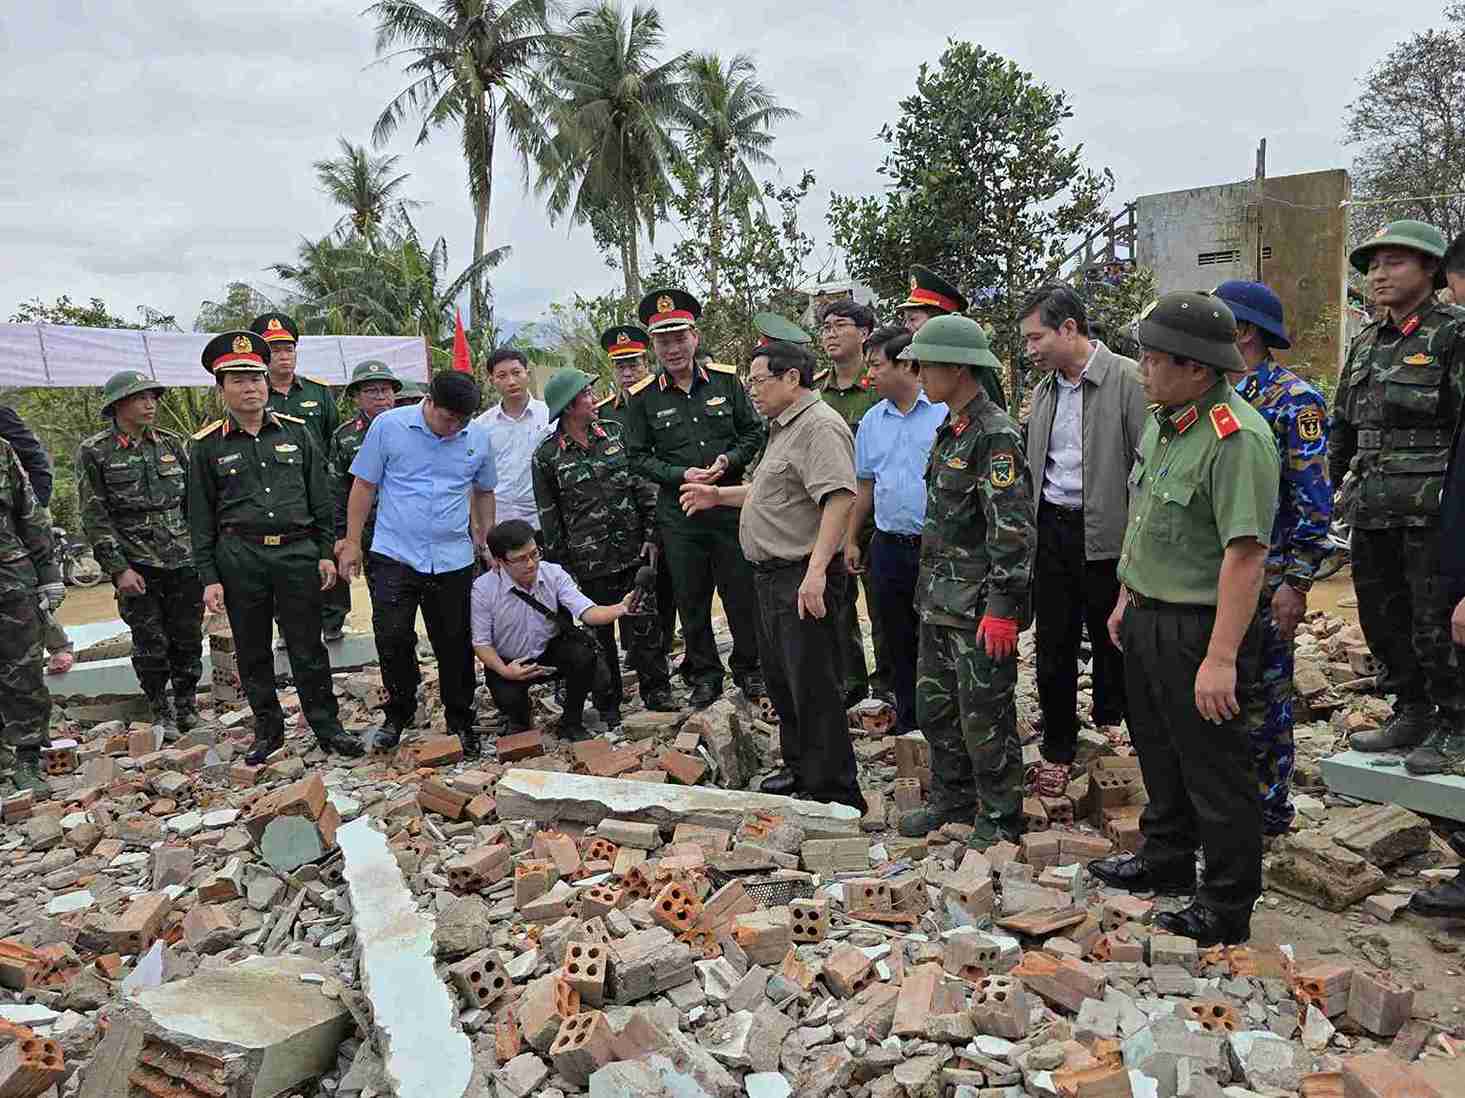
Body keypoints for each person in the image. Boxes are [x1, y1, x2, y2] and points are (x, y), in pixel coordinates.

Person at [1088, 292, 1279, 947]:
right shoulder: (1166, 420)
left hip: (1200, 628)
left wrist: (1221, 657)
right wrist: (1125, 597)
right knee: (1159, 752)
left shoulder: (1237, 438)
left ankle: (1225, 905)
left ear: (1197, 369)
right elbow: (1149, 521)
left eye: (1153, 358)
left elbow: (1245, 556)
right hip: (1147, 615)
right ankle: (1164, 858)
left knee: (1214, 769)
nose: (1140, 366)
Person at [680, 340, 865, 810]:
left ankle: (835, 792)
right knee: (784, 680)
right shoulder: (783, 428)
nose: (752, 391)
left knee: (814, 685)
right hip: (770, 577)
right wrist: (717, 497)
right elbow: (771, 492)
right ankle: (802, 769)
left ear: (791, 379)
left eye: (760, 381)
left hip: (801, 574)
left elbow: (838, 499)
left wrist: (818, 570)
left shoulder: (820, 427)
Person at [188, 332, 363, 764]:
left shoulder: (299, 434)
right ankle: (267, 732)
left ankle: (328, 727)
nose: (251, 388)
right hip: (240, 559)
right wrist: (209, 577)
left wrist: (325, 551)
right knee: (253, 651)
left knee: (308, 647)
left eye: (256, 378)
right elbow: (200, 517)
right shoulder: (206, 445)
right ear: (221, 388)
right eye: (238, 380)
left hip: (296, 555)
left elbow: (320, 499)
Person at [1328, 220, 1465, 769]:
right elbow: (1343, 425)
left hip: (1431, 513)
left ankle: (1456, 723)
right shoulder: (1366, 340)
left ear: (1431, 269)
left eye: (1395, 263)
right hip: (1371, 508)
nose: (1380, 275)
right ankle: (1411, 711)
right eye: (1374, 265)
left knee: (1435, 621)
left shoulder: (1453, 334)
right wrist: (1327, 493)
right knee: (1382, 619)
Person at [896, 316, 1034, 846]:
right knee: (937, 711)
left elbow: (1013, 531)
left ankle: (1000, 816)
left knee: (986, 718)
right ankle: (952, 800)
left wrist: (1004, 606)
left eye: (926, 364)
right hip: (938, 600)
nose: (919, 373)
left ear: (958, 367)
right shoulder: (951, 427)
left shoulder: (994, 435)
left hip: (978, 608)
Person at [1019, 283, 1146, 796]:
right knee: (1054, 641)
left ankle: (1121, 727)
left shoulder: (1128, 381)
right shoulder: (1046, 389)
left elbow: (1146, 469)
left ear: (1069, 329)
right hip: (1053, 528)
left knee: (1116, 638)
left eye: (1035, 338)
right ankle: (1058, 744)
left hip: (1110, 536)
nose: (1030, 349)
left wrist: (1136, 548)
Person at [1214, 280, 1332, 836]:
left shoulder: (1294, 401)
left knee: (1265, 698)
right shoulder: (1213, 399)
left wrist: (1299, 582)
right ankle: (1227, 805)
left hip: (1272, 574)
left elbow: (1313, 501)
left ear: (1243, 332)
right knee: (1225, 691)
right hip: (1218, 574)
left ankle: (1268, 811)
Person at [339, 371, 497, 754]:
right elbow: (364, 485)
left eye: (461, 421)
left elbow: (484, 490)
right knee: (393, 638)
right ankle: (398, 713)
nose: (453, 428)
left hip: (453, 558)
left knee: (454, 643)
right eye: (447, 419)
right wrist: (352, 542)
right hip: (395, 554)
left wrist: (485, 538)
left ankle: (461, 719)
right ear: (428, 401)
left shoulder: (476, 437)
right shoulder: (389, 427)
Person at [624, 288, 768, 708]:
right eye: (662, 340)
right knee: (692, 599)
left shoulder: (725, 381)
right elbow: (637, 457)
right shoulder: (644, 397)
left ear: (695, 337)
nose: (672, 348)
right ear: (653, 345)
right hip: (680, 514)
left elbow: (753, 432)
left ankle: (750, 669)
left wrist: (728, 460)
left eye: (679, 337)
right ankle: (704, 674)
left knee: (741, 594)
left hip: (727, 506)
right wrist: (678, 474)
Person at [533, 368, 677, 725]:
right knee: (598, 638)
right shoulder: (547, 456)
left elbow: (642, 487)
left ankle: (657, 691)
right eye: (585, 394)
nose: (593, 399)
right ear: (568, 407)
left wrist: (651, 535)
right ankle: (608, 702)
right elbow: (549, 516)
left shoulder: (615, 434)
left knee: (646, 625)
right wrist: (562, 569)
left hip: (633, 553)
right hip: (587, 562)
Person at [78, 371, 204, 734]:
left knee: (187, 637)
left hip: (182, 558)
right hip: (137, 563)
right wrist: (118, 569)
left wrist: (203, 556)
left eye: (153, 397)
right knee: (150, 642)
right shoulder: (96, 451)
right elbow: (94, 514)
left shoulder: (172, 443)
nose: (150, 404)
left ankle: (187, 704)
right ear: (118, 404)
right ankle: (158, 706)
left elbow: (194, 505)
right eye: (140, 398)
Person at [844, 326, 945, 735]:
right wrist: (852, 538)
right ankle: (908, 721)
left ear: (906, 363)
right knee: (895, 637)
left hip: (935, 548)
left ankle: (943, 723)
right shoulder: (872, 420)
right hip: (888, 546)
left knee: (936, 639)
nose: (869, 375)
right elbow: (865, 484)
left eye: (876, 365)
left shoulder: (942, 413)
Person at [472, 520, 637, 740]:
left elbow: (588, 612)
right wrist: (505, 671)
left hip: (549, 650)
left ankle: (571, 721)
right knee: (510, 702)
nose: (531, 564)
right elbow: (481, 643)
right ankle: (520, 719)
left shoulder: (553, 574)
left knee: (583, 656)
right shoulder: (483, 589)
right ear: (500, 561)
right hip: (510, 660)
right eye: (520, 559)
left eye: (534, 554)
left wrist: (621, 608)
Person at [249, 312, 346, 641]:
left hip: (320, 487)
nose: (284, 356)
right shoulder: (254, 396)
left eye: (289, 349)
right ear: (262, 357)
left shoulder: (318, 393)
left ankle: (333, 619)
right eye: (275, 350)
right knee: (282, 557)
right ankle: (285, 626)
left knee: (327, 549)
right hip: (276, 493)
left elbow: (334, 440)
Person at [815, 300, 890, 710]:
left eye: (840, 325)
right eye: (825, 326)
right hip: (830, 516)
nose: (829, 333)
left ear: (864, 334)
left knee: (883, 604)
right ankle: (850, 681)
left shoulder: (881, 383)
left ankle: (888, 683)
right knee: (837, 606)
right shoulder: (816, 393)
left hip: (877, 517)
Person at [595, 323, 678, 661]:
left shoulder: (663, 400)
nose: (627, 372)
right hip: (621, 515)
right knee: (633, 582)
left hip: (665, 505)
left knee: (669, 581)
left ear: (647, 363)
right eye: (620, 366)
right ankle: (636, 650)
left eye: (634, 364)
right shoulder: (603, 412)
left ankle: (663, 645)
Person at [0, 430, 60, 796]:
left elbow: (30, 514)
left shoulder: (2, 450)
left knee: (22, 670)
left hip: (10, 580)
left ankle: (27, 757)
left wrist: (49, 573)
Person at [328, 361, 402, 636]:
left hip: (414, 530)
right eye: (371, 391)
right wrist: (344, 537)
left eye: (386, 390)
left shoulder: (414, 425)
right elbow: (336, 489)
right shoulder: (345, 436)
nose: (381, 397)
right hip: (372, 533)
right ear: (356, 397)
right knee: (386, 605)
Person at [0, 406, 71, 675]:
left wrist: (31, 509)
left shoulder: (1, 418)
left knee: (29, 598)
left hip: (15, 531)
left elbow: (36, 464)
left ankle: (59, 646)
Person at [898, 265, 1006, 409]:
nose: (906, 326)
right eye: (905, 320)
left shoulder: (971, 362)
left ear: (940, 320)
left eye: (913, 319)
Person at [476, 348, 551, 529]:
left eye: (516, 373)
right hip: (500, 521)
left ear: (528, 374)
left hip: (543, 519)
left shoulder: (550, 416)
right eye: (502, 376)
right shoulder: (481, 426)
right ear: (491, 380)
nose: (511, 381)